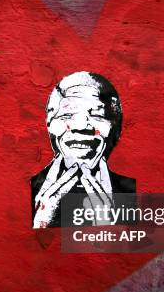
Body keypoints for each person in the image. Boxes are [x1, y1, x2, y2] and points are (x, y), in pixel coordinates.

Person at [31, 71, 135, 229]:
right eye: (67, 115)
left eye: (98, 116)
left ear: (116, 129)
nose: (80, 127)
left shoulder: (131, 193)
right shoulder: (30, 190)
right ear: (50, 125)